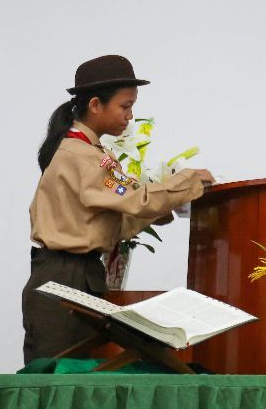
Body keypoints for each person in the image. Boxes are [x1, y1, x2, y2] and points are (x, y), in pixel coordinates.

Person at [21, 54, 214, 364]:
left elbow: (120, 217)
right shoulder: (85, 157)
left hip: (76, 274)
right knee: (55, 380)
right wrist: (186, 183)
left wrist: (168, 205)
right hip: (64, 277)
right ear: (96, 105)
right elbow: (135, 198)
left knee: (73, 376)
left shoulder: (93, 152)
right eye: (125, 106)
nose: (130, 116)